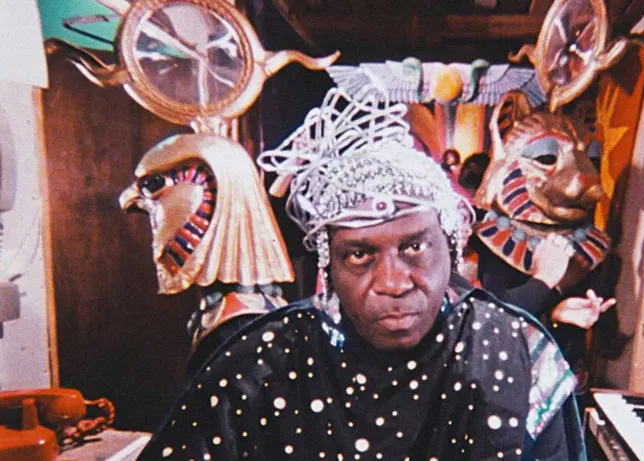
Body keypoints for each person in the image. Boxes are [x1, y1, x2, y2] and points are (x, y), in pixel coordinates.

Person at [136, 87, 585, 460]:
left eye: (414, 247)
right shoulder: (263, 360)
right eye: (358, 255)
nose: (392, 282)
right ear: (328, 265)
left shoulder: (515, 351)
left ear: (451, 248)